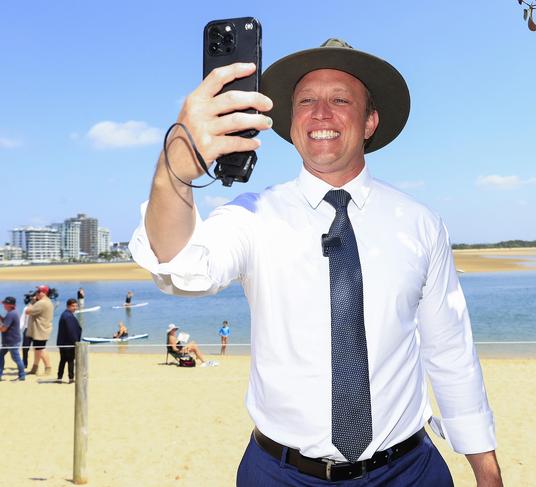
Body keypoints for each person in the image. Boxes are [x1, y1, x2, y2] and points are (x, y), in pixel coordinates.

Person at [130, 39, 502, 486]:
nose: (321, 112)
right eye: (306, 100)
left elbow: (449, 349)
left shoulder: (420, 223)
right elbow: (179, 267)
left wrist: (485, 464)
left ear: (369, 122)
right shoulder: (252, 215)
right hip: (280, 474)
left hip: (407, 471)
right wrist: (176, 162)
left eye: (340, 100)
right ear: (291, 124)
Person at [25, 285, 54, 376]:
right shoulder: (47, 301)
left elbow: (28, 311)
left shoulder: (41, 303)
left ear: (44, 292)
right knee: (37, 349)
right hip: (42, 329)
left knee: (40, 349)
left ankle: (48, 368)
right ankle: (35, 368)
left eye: (38, 292)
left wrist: (32, 302)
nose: (36, 293)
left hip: (40, 330)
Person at [0, 296, 26, 381]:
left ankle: (22, 376)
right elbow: (6, 321)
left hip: (12, 341)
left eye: (5, 304)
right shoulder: (11, 313)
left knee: (16, 358)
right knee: (0, 356)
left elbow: (4, 328)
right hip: (9, 341)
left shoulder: (11, 314)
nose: (3, 305)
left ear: (10, 305)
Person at [56, 298, 82, 384]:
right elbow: (72, 331)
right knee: (70, 360)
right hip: (68, 343)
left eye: (76, 306)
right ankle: (71, 378)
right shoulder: (68, 316)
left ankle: (59, 378)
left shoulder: (65, 314)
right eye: (73, 306)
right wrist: (76, 342)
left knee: (63, 360)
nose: (75, 308)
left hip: (63, 342)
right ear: (68, 306)